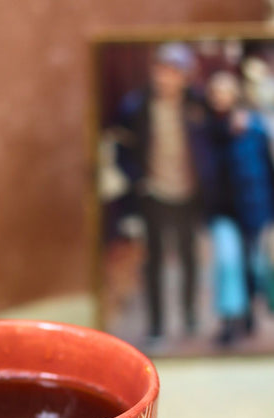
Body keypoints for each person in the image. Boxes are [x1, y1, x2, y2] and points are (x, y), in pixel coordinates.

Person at [116, 42, 214, 342]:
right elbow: (122, 148)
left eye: (173, 72)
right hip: (154, 192)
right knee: (154, 260)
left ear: (185, 76)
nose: (165, 78)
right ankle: (157, 325)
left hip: (189, 192)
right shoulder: (136, 107)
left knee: (189, 256)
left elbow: (214, 140)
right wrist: (138, 179)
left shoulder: (198, 105)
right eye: (161, 70)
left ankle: (190, 316)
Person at [206, 71, 274, 342]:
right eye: (216, 92)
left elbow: (266, 167)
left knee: (252, 263)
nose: (220, 97)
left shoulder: (253, 127)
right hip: (222, 208)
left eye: (225, 92)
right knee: (227, 262)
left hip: (252, 206)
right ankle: (229, 319)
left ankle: (248, 312)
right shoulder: (206, 128)